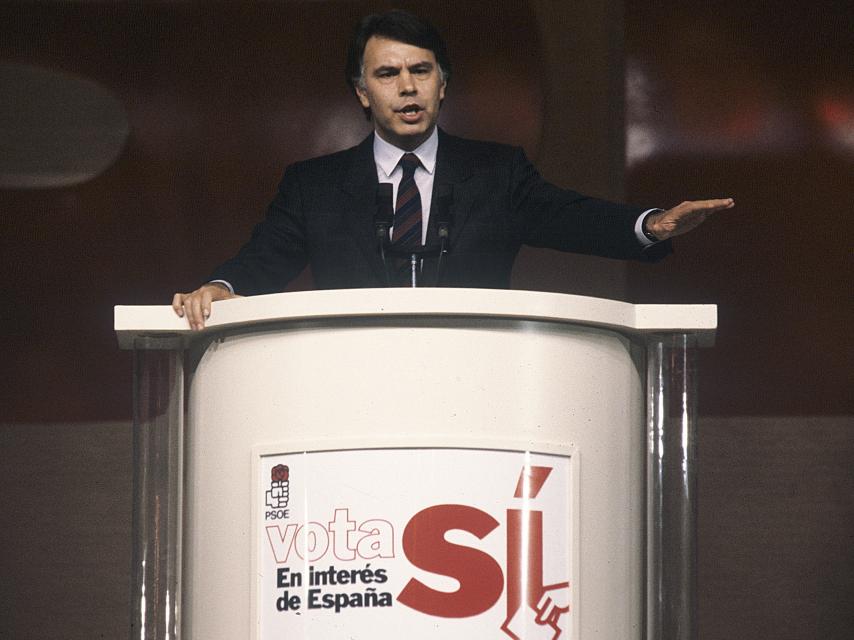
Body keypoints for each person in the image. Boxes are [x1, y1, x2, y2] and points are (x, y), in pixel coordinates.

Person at [173, 9, 733, 329]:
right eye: (388, 74)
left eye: (421, 70)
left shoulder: (498, 173)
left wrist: (651, 224)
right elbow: (263, 262)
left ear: (443, 83)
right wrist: (220, 288)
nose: (408, 87)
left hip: (477, 385)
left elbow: (571, 217)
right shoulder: (313, 186)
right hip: (348, 387)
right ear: (362, 92)